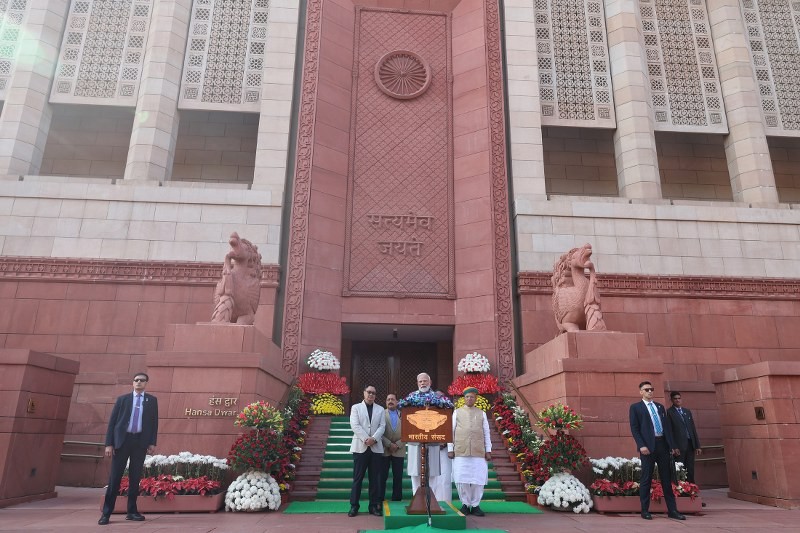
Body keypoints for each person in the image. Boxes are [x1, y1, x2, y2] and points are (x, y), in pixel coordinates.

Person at [98, 372, 159, 526]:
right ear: (133, 382)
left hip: (140, 442)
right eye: (136, 380)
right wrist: (109, 444)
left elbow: (154, 423)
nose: (139, 382)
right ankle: (106, 513)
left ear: (146, 383)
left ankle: (131, 511)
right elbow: (112, 423)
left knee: (135, 477)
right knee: (115, 478)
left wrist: (152, 442)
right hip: (122, 442)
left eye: (142, 380)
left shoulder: (151, 401)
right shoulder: (123, 400)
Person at [629, 381, 685, 521]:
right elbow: (635, 428)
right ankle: (645, 510)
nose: (649, 391)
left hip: (663, 445)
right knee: (646, 478)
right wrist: (641, 445)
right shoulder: (636, 408)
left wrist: (672, 445)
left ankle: (672, 510)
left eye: (651, 389)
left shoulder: (659, 407)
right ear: (641, 392)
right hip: (648, 447)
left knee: (666, 479)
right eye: (646, 389)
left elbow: (667, 428)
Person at [448, 387, 491, 516]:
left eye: (472, 397)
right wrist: (450, 448)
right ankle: (465, 504)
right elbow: (451, 431)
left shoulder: (482, 413)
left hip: (478, 451)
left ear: (476, 398)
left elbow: (486, 432)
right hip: (461, 451)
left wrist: (488, 450)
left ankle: (476, 505)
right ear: (464, 398)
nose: (469, 399)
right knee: (462, 479)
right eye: (467, 397)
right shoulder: (457, 412)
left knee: (478, 479)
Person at [348, 384, 385, 517]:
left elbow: (382, 426)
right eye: (369, 392)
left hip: (376, 448)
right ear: (364, 393)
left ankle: (373, 506)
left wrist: (373, 439)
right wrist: (366, 439)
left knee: (374, 479)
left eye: (373, 393)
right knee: (357, 478)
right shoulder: (356, 408)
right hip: (360, 447)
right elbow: (355, 425)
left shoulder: (380, 409)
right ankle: (354, 506)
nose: (371, 395)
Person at [406, 373, 443, 495]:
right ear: (417, 383)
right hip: (415, 439)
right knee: (415, 472)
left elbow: (444, 415)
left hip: (433, 439)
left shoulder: (438, 397)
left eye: (425, 381)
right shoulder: (411, 397)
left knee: (433, 473)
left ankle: (432, 499)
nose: (423, 383)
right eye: (420, 381)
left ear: (430, 382)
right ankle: (416, 498)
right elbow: (406, 415)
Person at [667, 391, 702, 483]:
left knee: (690, 468)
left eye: (679, 398)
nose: (677, 400)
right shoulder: (669, 412)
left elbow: (693, 429)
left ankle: (691, 487)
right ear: (671, 400)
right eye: (675, 399)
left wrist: (697, 445)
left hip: (690, 444)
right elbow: (669, 431)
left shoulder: (687, 411)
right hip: (679, 446)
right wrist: (674, 447)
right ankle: (680, 487)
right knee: (680, 468)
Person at [381, 393, 404, 502]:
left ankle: (397, 499)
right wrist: (389, 444)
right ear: (386, 402)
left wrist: (398, 444)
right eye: (388, 399)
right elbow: (378, 431)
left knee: (398, 476)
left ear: (397, 402)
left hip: (399, 449)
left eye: (392, 399)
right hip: (384, 449)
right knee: (382, 476)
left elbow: (408, 432)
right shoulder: (381, 414)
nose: (390, 401)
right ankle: (380, 498)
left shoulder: (404, 414)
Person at [433, 390, 453, 503]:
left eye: (441, 397)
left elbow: (452, 430)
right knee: (433, 478)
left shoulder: (449, 412)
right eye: (437, 397)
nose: (439, 399)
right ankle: (433, 502)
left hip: (445, 450)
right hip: (432, 448)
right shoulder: (428, 412)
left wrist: (445, 442)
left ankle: (446, 502)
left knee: (445, 477)